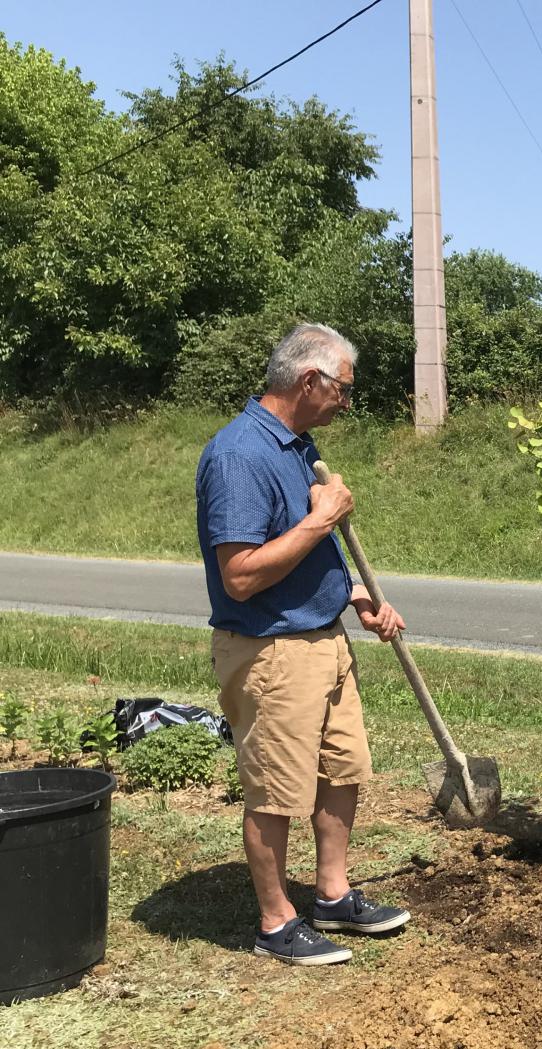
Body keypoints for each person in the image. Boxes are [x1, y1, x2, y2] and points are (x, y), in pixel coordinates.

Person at [196, 323, 412, 965]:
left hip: (324, 638)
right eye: (344, 388)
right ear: (309, 380)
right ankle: (273, 922)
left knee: (341, 771)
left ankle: (332, 895)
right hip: (271, 652)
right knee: (276, 790)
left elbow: (301, 557)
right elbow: (240, 576)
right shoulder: (240, 455)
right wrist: (323, 518)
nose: (348, 400)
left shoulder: (297, 445)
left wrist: (354, 596)